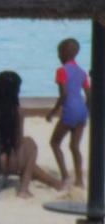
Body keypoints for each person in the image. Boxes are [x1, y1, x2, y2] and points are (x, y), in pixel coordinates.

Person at [0, 70, 66, 197]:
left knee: (29, 162)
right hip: (1, 163)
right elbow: (18, 144)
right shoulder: (16, 112)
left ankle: (55, 183)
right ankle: (24, 189)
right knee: (30, 145)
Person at [47, 38, 90, 188]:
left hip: (70, 109)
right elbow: (89, 96)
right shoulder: (82, 72)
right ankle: (80, 180)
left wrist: (52, 112)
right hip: (82, 111)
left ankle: (65, 175)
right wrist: (85, 112)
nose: (58, 56)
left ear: (65, 53)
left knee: (54, 142)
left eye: (59, 52)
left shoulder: (61, 71)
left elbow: (64, 94)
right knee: (75, 147)